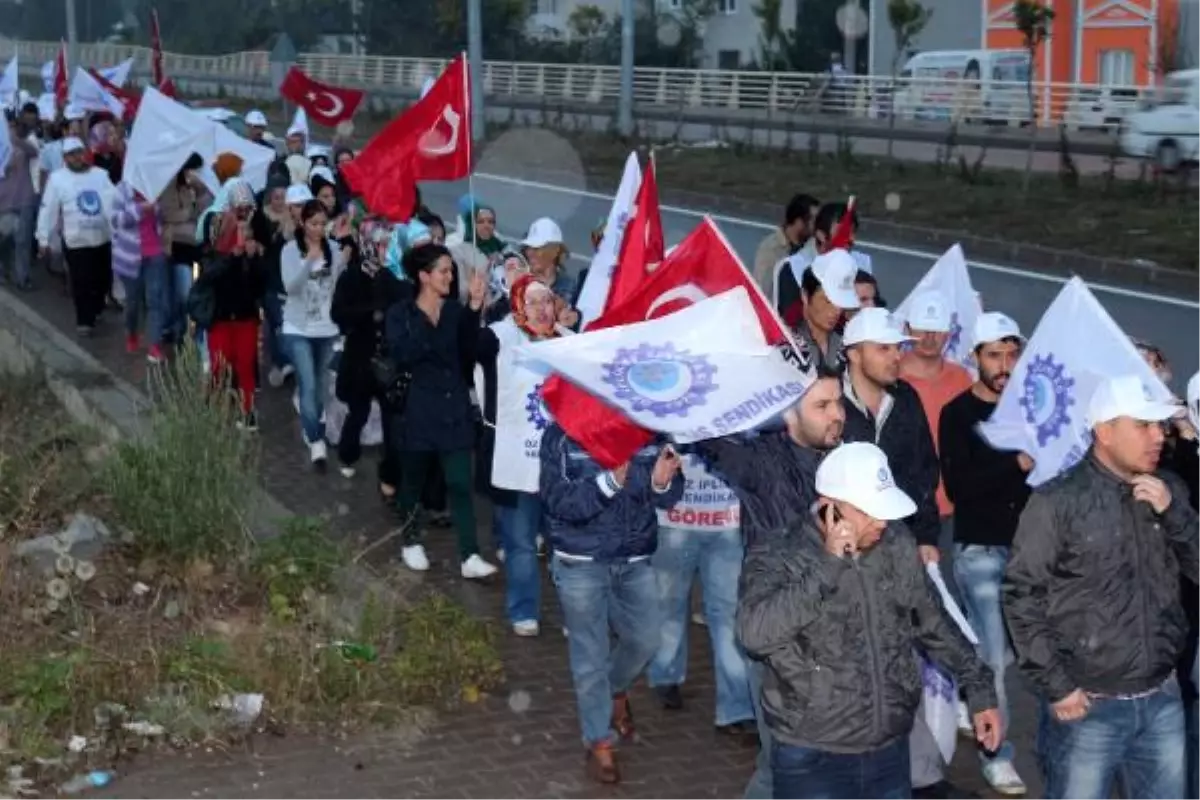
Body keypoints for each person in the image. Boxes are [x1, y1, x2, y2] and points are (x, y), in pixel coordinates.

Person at [738, 441, 1002, 800]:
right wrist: (827, 567)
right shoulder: (778, 552)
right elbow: (754, 634)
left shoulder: (896, 543)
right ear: (830, 506)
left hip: (889, 750)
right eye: (868, 511)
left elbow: (934, 622)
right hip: (813, 755)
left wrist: (980, 690)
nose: (881, 522)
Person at [1004, 373, 1200, 800]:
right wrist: (1058, 686)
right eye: (1143, 425)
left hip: (1162, 695)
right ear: (1104, 432)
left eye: (1160, 425)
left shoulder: (1169, 489)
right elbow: (1021, 596)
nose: (1158, 436)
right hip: (1088, 707)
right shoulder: (1057, 501)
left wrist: (1174, 514)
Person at [540, 423, 685, 784]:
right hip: (580, 561)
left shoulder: (650, 426)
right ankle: (599, 741)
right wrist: (608, 484)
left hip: (634, 557)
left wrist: (661, 483)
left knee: (647, 640)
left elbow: (669, 495)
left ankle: (614, 689)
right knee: (589, 654)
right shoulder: (563, 434)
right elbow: (558, 500)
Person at [938, 311, 1031, 796]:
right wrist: (1016, 464)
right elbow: (959, 487)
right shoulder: (958, 414)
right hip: (980, 549)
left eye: (1012, 354)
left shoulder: (1033, 406)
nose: (1005, 365)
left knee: (1012, 651)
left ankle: (966, 685)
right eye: (994, 355)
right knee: (994, 656)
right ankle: (997, 756)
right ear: (975, 357)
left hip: (1030, 551)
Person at [385, 243, 498, 580]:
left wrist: (474, 308)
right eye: (444, 271)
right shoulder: (401, 313)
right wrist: (425, 317)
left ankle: (470, 554)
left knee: (460, 482)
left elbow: (470, 349)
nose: (451, 276)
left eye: (451, 271)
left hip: (453, 410)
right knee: (413, 482)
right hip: (418, 410)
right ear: (424, 276)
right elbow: (403, 353)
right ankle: (410, 540)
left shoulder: (454, 312)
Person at [475, 274, 568, 636]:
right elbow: (467, 347)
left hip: (561, 468)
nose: (542, 309)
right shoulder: (500, 338)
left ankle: (573, 615)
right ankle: (523, 611)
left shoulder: (569, 342)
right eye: (533, 302)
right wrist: (473, 308)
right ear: (517, 306)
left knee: (566, 547)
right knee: (521, 544)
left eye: (547, 301)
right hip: (515, 462)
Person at [330, 219, 405, 491]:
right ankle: (348, 454)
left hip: (388, 359)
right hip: (360, 357)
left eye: (388, 245)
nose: (385, 250)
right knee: (359, 412)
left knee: (391, 421)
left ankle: (389, 474)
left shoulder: (395, 278)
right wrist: (369, 313)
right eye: (380, 245)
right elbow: (338, 314)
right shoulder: (351, 277)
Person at [280, 200, 352, 467]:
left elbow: (336, 286)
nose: (318, 229)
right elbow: (291, 288)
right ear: (303, 223)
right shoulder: (290, 250)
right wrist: (309, 261)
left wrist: (343, 259)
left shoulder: (332, 248)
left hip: (327, 328)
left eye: (323, 224)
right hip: (298, 328)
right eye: (313, 224)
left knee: (321, 387)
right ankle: (315, 438)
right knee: (308, 383)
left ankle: (313, 424)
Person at [195, 180, 267, 428]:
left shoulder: (253, 245)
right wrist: (232, 257)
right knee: (219, 366)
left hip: (245, 316)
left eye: (247, 211)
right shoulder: (213, 245)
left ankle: (247, 411)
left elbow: (259, 285)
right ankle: (213, 408)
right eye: (239, 211)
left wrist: (253, 259)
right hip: (220, 316)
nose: (242, 218)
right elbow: (209, 276)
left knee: (245, 364)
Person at [36, 136, 116, 336]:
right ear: (65, 158)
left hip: (102, 238)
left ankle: (97, 308)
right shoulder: (58, 179)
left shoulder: (100, 175)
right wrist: (43, 238)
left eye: (79, 153)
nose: (77, 158)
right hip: (76, 241)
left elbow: (114, 202)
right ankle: (84, 321)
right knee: (81, 281)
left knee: (103, 279)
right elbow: (48, 209)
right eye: (71, 155)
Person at [110, 180, 169, 363]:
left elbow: (162, 217)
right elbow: (116, 220)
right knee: (133, 302)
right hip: (130, 257)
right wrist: (140, 209)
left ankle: (154, 345)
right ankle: (131, 332)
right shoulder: (122, 190)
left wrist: (158, 209)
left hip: (155, 253)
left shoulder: (154, 188)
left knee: (155, 300)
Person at [159, 154, 211, 350]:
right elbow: (168, 214)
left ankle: (186, 330)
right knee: (181, 291)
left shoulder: (198, 189)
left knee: (190, 291)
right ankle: (177, 328)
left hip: (195, 245)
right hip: (177, 245)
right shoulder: (169, 188)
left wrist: (200, 193)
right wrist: (189, 212)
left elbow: (205, 213)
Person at [792, 250, 860, 372]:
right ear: (805, 296)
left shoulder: (848, 345)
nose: (837, 310)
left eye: (841, 302)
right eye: (828, 301)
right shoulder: (787, 346)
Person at [753, 192, 818, 309]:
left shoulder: (813, 245)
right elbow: (762, 290)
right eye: (814, 220)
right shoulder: (770, 249)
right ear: (799, 222)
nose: (818, 225)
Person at [0, 113, 40, 290]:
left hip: (24, 199)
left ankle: (22, 278)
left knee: (23, 241)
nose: (11, 128)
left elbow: (34, 152)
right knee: (5, 241)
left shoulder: (21, 145)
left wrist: (14, 139)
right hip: (3, 203)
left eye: (12, 126)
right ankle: (3, 271)